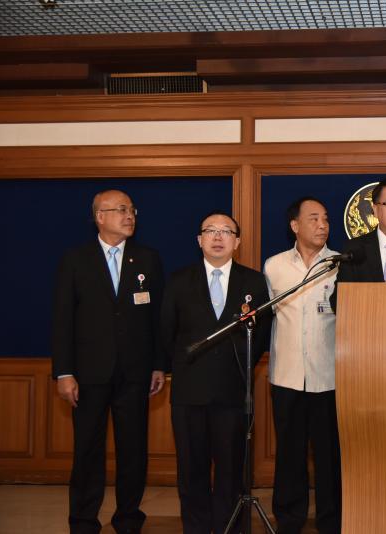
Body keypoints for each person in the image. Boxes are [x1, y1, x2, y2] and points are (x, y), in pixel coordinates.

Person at [52, 189, 165, 534]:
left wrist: (158, 364)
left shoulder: (147, 259)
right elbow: (62, 319)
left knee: (133, 451)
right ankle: (83, 521)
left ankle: (128, 519)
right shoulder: (75, 259)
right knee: (87, 451)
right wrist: (64, 372)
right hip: (88, 374)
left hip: (135, 373)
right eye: (121, 210)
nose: (129, 216)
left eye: (132, 210)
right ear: (100, 217)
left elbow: (158, 319)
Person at [160, 211, 268, 534]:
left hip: (233, 392)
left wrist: (238, 367)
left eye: (226, 231)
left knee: (231, 471)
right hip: (190, 392)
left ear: (237, 241)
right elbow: (166, 332)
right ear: (199, 240)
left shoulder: (253, 282)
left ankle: (229, 528)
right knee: (191, 469)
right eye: (210, 231)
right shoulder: (179, 280)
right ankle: (195, 528)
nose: (218, 237)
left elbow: (261, 334)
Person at [263, 197, 342, 534]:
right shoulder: (274, 266)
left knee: (329, 457)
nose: (322, 225)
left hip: (330, 376)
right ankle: (289, 519)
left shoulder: (340, 264)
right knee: (289, 454)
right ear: (294, 225)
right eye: (313, 219)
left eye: (325, 219)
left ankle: (331, 521)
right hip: (287, 375)